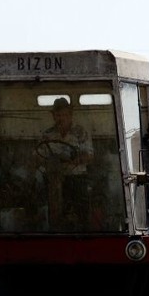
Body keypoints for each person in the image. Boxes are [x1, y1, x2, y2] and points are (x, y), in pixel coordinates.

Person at [38, 97, 95, 228]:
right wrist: (48, 162)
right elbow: (37, 156)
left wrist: (75, 160)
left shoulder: (80, 132)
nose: (61, 118)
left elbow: (90, 156)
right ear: (53, 116)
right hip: (52, 179)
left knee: (81, 213)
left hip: (77, 179)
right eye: (58, 115)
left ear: (70, 114)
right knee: (49, 210)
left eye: (64, 115)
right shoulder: (47, 135)